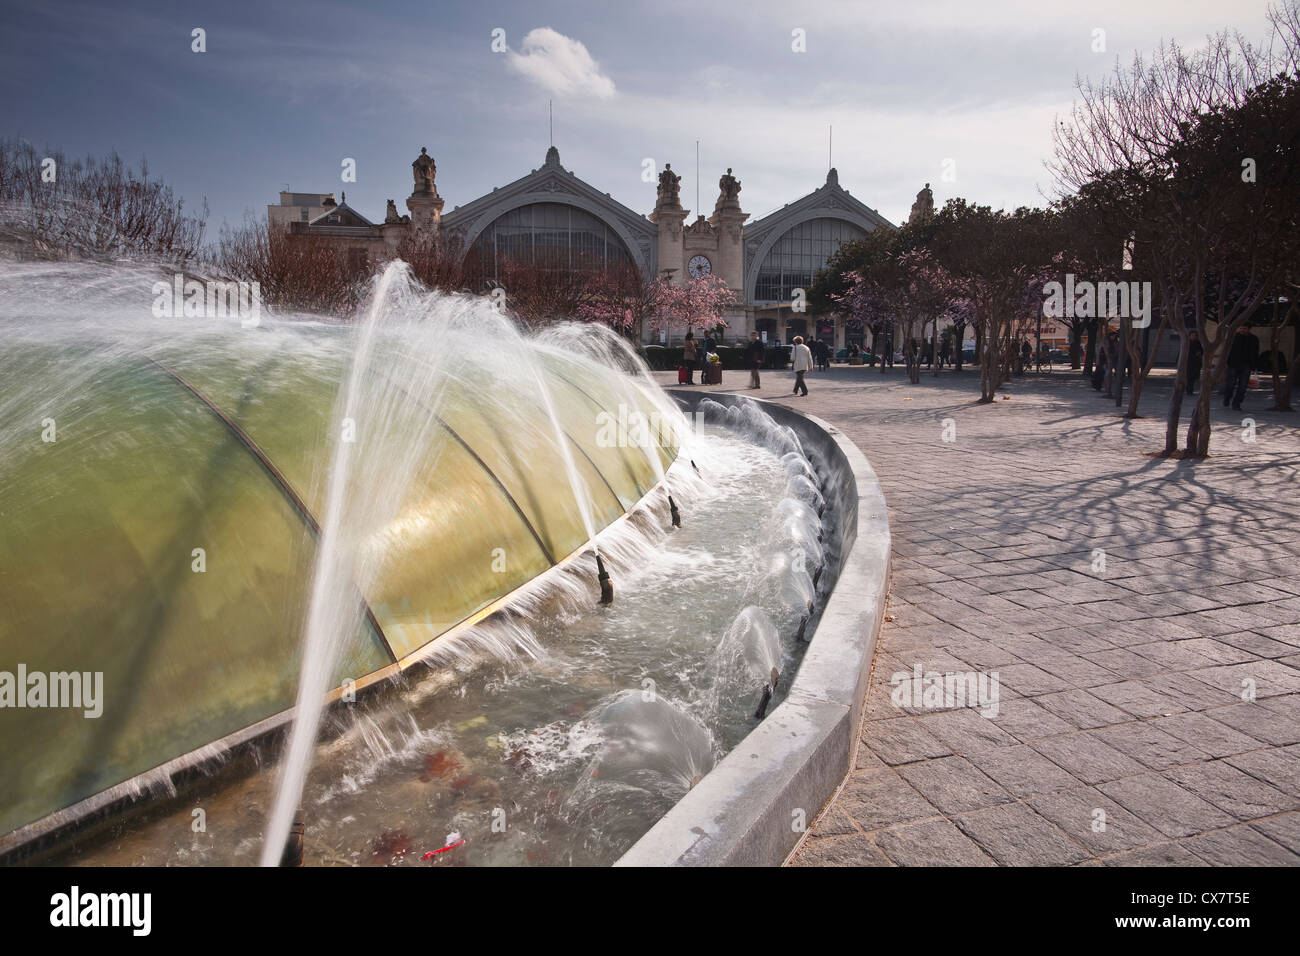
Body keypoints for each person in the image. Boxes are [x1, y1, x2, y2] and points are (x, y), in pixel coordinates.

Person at [1223, 323, 1259, 411]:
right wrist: (1225, 362)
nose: (1242, 330)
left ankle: (1237, 403)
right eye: (1241, 328)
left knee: (1243, 386)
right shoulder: (1233, 337)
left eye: (1245, 328)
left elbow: (1256, 352)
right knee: (1230, 384)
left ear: (1249, 329)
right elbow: (1226, 350)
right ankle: (1227, 397)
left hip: (1247, 365)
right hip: (1233, 364)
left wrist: (1254, 366)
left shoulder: (1254, 339)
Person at [1187, 330, 1203, 395]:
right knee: (1188, 377)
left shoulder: (1198, 343)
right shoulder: (1187, 343)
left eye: (1194, 335)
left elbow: (1201, 351)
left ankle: (1190, 390)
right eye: (1192, 335)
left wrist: (1199, 353)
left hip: (1196, 363)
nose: (1193, 337)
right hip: (1188, 363)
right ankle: (1188, 389)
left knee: (1193, 378)